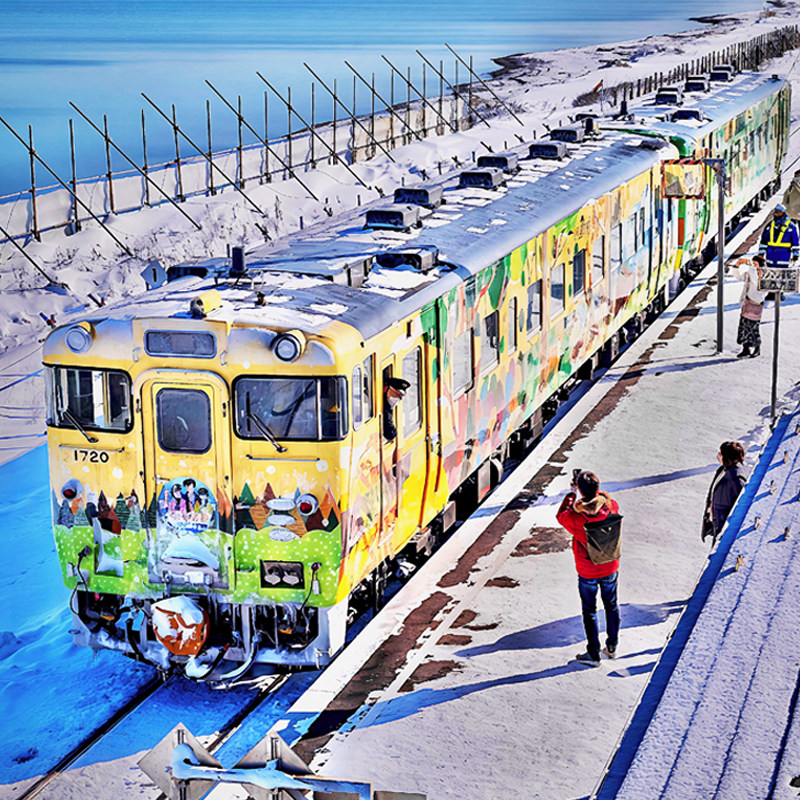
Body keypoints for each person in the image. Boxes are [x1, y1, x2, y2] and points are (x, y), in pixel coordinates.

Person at [557, 470, 621, 668]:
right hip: (610, 565)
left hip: (588, 570)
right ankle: (612, 646)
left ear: (580, 490)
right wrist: (598, 494)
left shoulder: (576, 518)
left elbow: (561, 515)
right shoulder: (611, 506)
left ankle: (593, 654)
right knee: (611, 605)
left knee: (589, 610)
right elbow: (607, 499)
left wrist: (571, 494)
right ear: (598, 488)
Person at [702, 441, 747, 545]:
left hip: (724, 528)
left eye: (721, 453)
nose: (718, 456)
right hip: (716, 521)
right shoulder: (723, 470)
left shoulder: (735, 477)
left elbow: (741, 504)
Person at [735, 254, 766, 358]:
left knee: (753, 327)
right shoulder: (750, 272)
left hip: (756, 302)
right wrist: (737, 266)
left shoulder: (764, 274)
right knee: (744, 326)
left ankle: (757, 347)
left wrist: (758, 273)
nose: (754, 265)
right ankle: (746, 348)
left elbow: (763, 289)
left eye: (756, 263)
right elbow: (739, 277)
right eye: (753, 263)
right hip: (747, 301)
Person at [759, 203, 799, 268]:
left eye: (779, 213)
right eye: (776, 213)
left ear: (783, 213)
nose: (777, 214)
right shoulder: (770, 226)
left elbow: (795, 243)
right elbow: (764, 241)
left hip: (784, 261)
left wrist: (795, 256)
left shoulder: (791, 227)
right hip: (770, 261)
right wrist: (761, 254)